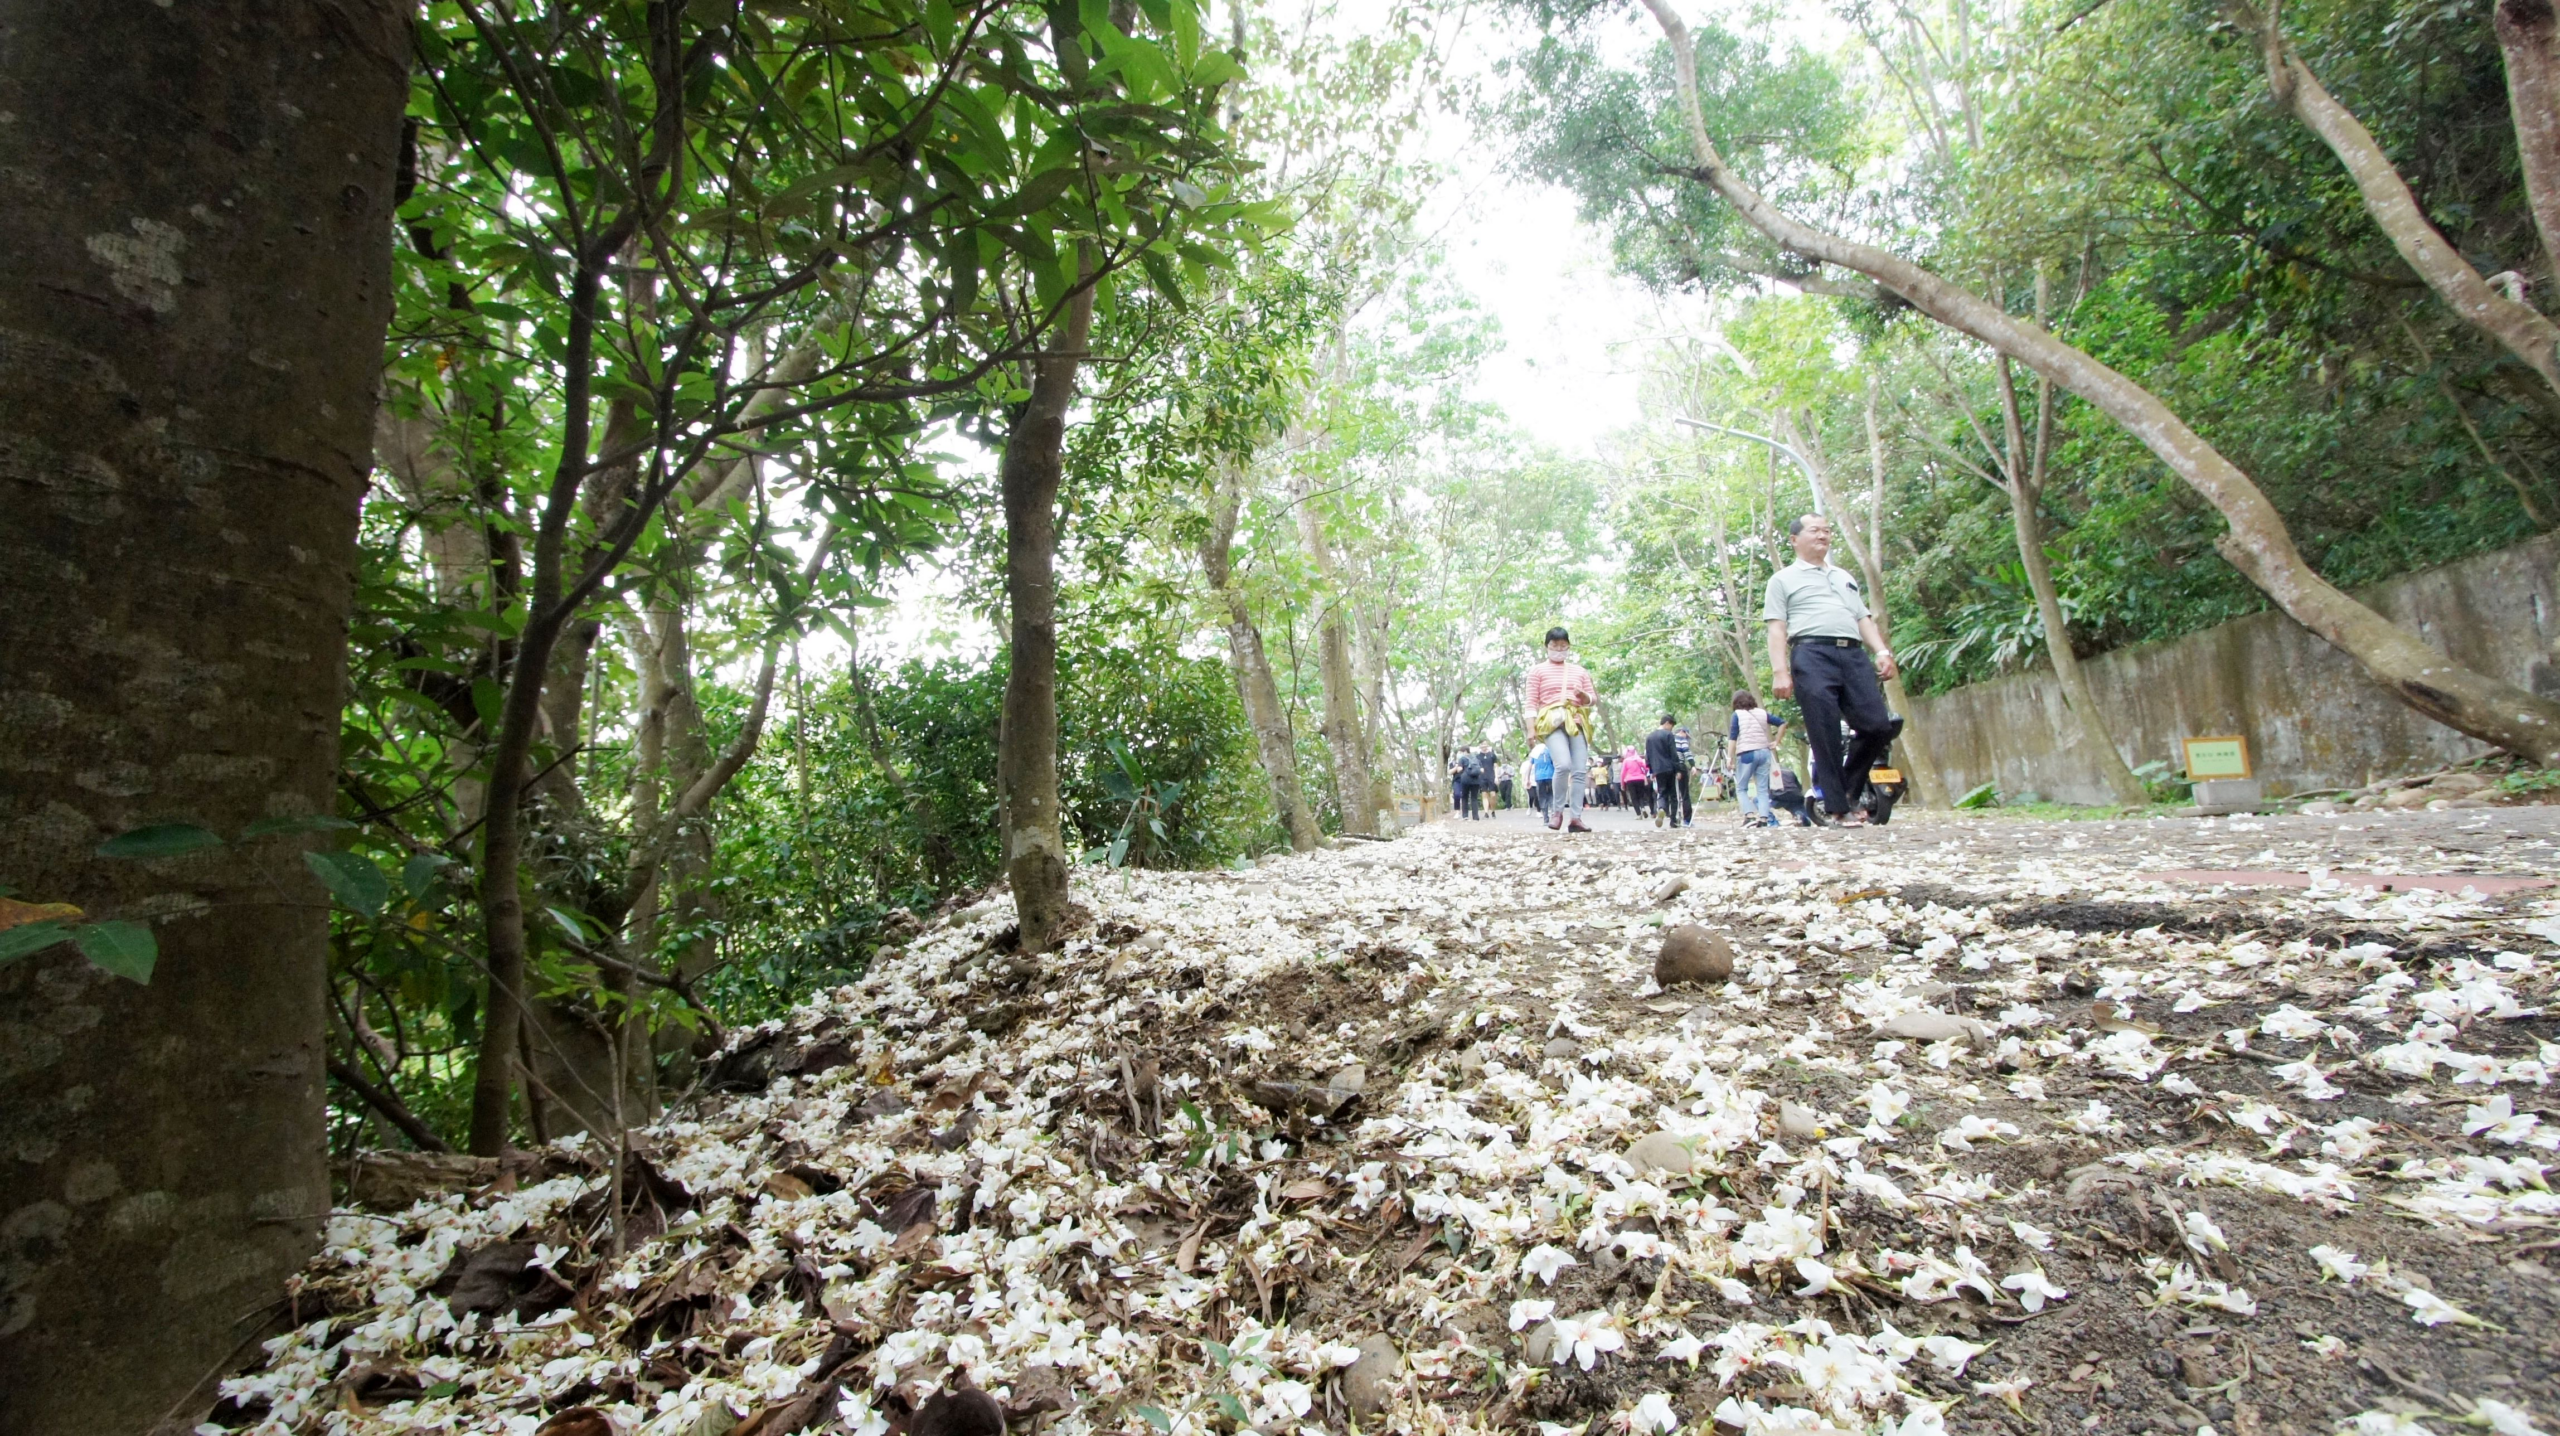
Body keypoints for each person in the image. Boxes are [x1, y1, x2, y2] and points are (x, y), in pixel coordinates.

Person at [1764, 513, 1899, 826]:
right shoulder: (1782, 580)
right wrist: (1780, 671)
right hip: (1810, 654)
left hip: (1852, 655)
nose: (1823, 536)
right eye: (1814, 531)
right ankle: (1838, 808)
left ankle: (1848, 789)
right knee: (1823, 731)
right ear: (1795, 539)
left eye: (1826, 531)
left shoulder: (1843, 576)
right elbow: (1776, 628)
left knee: (1878, 725)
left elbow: (1862, 618)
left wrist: (1881, 651)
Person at [1525, 626, 1596, 833]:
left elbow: (1592, 699)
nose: (1559, 649)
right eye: (1554, 645)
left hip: (1576, 721)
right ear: (1547, 646)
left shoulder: (1579, 671)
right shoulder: (1537, 671)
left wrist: (1585, 698)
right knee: (1563, 765)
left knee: (1580, 770)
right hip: (1552, 722)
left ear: (1569, 646)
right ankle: (1556, 812)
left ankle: (1576, 817)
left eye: (1563, 646)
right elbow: (1531, 703)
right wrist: (1531, 730)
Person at [1729, 689, 1785, 827]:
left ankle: (1749, 815)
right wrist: (1777, 741)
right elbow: (1782, 723)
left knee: (1741, 787)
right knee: (1762, 789)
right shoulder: (1762, 713)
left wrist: (1730, 757)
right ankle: (1764, 818)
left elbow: (1733, 739)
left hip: (1747, 753)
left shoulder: (1737, 715)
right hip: (1764, 752)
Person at [1644, 715, 1687, 828]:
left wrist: (1651, 770)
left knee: (1662, 792)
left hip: (1657, 769)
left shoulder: (1650, 737)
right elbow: (1673, 753)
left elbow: (1648, 755)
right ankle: (1673, 821)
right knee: (1673, 794)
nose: (1671, 728)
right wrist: (1678, 769)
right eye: (1671, 726)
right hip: (1669, 768)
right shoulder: (1668, 735)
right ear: (1667, 723)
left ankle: (1662, 808)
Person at [1620, 743, 1652, 820]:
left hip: (1630, 780)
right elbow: (1646, 768)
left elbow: (1622, 773)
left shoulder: (1626, 761)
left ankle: (1638, 814)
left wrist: (1622, 784)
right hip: (1640, 779)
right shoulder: (1639, 759)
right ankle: (1643, 807)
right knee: (1640, 796)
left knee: (1634, 797)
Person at [1530, 743, 1554, 815]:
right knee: (1551, 795)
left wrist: (1527, 778)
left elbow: (1529, 765)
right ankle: (1553, 812)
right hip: (1550, 776)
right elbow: (1555, 763)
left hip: (1539, 777)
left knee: (1542, 797)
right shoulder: (1550, 750)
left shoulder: (1535, 752)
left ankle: (1545, 817)